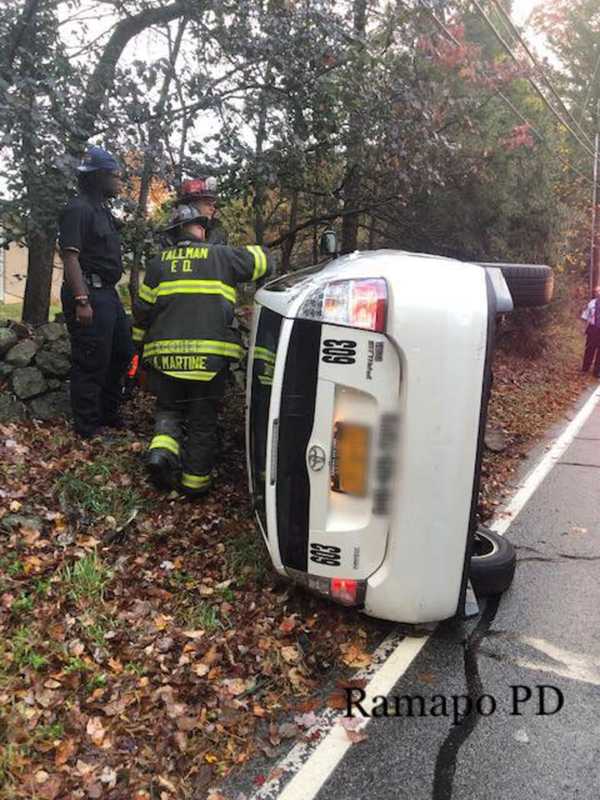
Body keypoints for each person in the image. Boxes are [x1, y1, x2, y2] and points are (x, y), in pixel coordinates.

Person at [133, 204, 271, 496]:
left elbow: (142, 312)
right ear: (199, 229)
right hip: (208, 362)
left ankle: (161, 454)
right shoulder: (221, 256)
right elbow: (264, 260)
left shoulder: (158, 264)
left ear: (172, 234)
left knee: (168, 409)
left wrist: (139, 351)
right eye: (203, 227)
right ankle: (195, 486)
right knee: (202, 419)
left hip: (165, 358)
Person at [58, 145, 134, 438]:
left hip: (108, 295)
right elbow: (70, 257)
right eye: (114, 174)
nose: (119, 180)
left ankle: (108, 413)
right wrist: (81, 300)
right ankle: (88, 428)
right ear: (97, 176)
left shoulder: (102, 211)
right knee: (91, 360)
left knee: (122, 352)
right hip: (87, 293)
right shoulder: (77, 209)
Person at [178, 176, 228, 244]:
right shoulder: (168, 235)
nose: (213, 209)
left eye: (213, 205)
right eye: (208, 204)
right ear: (191, 207)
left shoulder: (216, 234)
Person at [581, 285, 600, 377]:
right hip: (593, 328)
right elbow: (586, 316)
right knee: (589, 349)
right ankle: (585, 368)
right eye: (597, 292)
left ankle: (597, 371)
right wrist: (584, 328)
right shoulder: (592, 303)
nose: (598, 293)